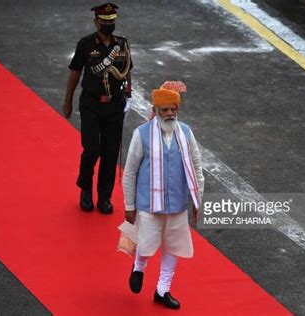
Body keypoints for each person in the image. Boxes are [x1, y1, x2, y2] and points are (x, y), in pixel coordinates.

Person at [122, 81, 204, 309]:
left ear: (178, 109)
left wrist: (198, 200)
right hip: (149, 204)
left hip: (177, 204)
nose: (169, 114)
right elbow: (130, 171)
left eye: (173, 109)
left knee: (174, 247)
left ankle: (162, 289)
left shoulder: (186, 132)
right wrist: (129, 204)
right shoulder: (142, 134)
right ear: (155, 110)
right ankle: (139, 267)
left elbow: (196, 167)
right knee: (146, 245)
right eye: (164, 110)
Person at [63, 3, 133, 214]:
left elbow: (127, 69)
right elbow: (75, 72)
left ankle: (104, 197)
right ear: (96, 22)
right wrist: (68, 100)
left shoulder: (122, 44)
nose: (108, 25)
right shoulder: (85, 44)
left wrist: (129, 95)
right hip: (91, 104)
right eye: (104, 22)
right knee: (92, 149)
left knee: (111, 153)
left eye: (111, 21)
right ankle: (85, 189)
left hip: (114, 104)